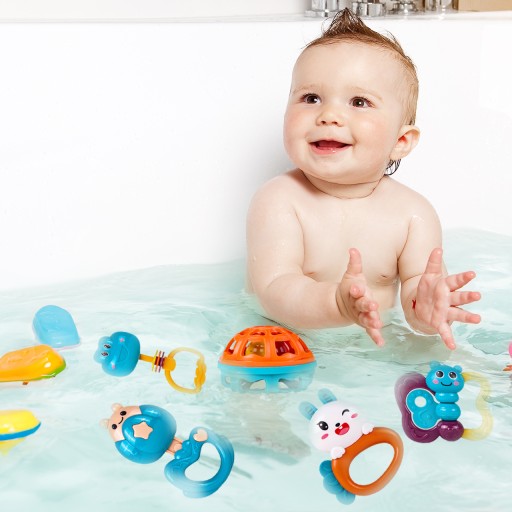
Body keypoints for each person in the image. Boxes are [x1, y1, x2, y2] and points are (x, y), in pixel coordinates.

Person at [246, 9, 481, 350]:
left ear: (401, 141)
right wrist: (336, 305)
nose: (329, 115)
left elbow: (419, 293)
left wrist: (427, 312)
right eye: (311, 98)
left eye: (359, 102)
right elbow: (274, 289)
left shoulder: (413, 215)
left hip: (375, 349)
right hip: (285, 348)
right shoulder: (279, 200)